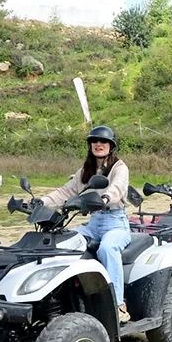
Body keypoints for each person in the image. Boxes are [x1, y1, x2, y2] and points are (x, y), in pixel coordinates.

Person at [40, 125, 132, 323]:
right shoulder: (85, 170)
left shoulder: (119, 167)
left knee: (107, 248)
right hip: (93, 223)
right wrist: (42, 201)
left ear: (111, 145)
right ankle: (60, 298)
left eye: (103, 141)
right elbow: (65, 191)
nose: (98, 144)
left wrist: (106, 198)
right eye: (94, 141)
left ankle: (118, 305)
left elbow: (118, 187)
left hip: (116, 223)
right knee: (64, 240)